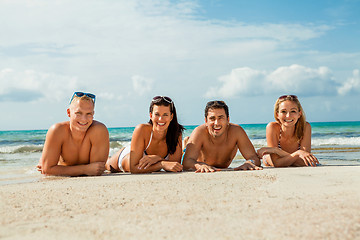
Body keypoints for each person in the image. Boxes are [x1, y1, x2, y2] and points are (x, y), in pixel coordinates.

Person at [106, 96, 184, 173]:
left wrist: (157, 158)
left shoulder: (176, 134)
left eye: (165, 115)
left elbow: (174, 165)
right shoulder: (141, 129)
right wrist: (161, 164)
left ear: (171, 117)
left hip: (140, 158)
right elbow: (134, 168)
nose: (160, 119)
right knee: (108, 165)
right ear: (151, 116)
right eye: (157, 114)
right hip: (129, 156)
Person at [37, 92, 109, 176]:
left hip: (65, 171)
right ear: (68, 112)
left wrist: (54, 169)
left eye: (88, 114)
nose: (84, 119)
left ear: (93, 114)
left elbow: (96, 170)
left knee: (110, 164)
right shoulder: (57, 131)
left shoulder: (98, 130)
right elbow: (47, 170)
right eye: (78, 113)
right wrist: (85, 169)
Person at [182, 100, 262, 173]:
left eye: (220, 118)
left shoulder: (236, 132)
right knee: (185, 154)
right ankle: (187, 144)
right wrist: (199, 165)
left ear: (228, 120)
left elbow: (254, 158)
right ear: (206, 121)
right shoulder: (199, 132)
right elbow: (186, 163)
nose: (216, 123)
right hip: (195, 153)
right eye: (212, 118)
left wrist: (249, 163)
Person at [257, 95, 319, 167]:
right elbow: (277, 163)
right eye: (283, 111)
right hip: (269, 160)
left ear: (299, 114)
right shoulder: (272, 127)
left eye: (293, 111)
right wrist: (298, 154)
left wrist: (277, 151)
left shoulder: (305, 127)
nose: (288, 116)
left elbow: (303, 162)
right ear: (277, 114)